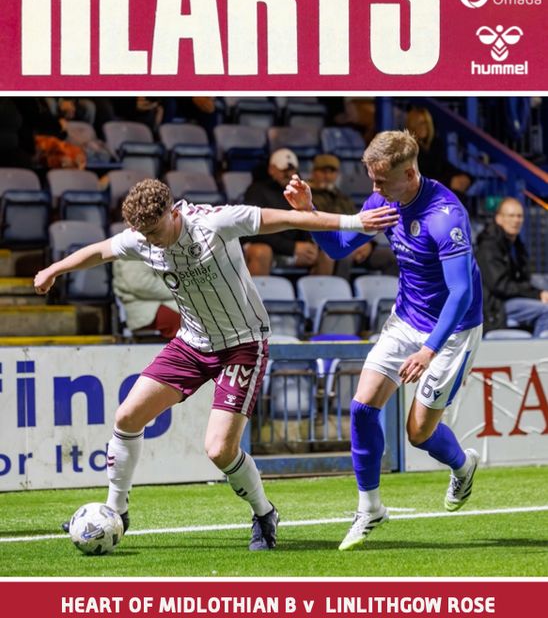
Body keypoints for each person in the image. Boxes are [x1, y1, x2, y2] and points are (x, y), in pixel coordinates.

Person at [34, 178, 395, 551]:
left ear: (173, 213)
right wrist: (54, 270)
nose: (151, 241)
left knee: (219, 451)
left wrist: (355, 223)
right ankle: (115, 511)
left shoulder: (215, 223)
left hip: (242, 344)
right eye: (144, 234)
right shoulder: (142, 237)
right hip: (192, 343)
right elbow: (99, 251)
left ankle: (264, 513)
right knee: (127, 417)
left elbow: (283, 219)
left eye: (156, 231)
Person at [284, 130, 484, 551]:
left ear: (409, 172)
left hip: (451, 331)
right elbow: (338, 250)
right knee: (362, 407)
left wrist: (429, 350)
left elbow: (462, 292)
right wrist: (309, 212)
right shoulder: (384, 203)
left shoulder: (445, 216)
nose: (373, 191)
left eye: (380, 182)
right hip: (405, 320)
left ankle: (463, 466)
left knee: (418, 434)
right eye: (371, 181)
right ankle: (370, 506)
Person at [242, 148, 332, 275]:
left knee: (327, 254)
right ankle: (254, 295)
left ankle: (319, 293)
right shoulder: (256, 191)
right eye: (283, 170)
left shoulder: (299, 191)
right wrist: (291, 248)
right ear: (271, 169)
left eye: (291, 170)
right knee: (262, 252)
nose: (288, 174)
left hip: (292, 249)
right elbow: (255, 229)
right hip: (266, 246)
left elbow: (308, 221)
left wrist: (308, 246)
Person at [309, 153, 398, 278]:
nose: (327, 176)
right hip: (327, 244)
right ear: (313, 172)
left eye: (332, 172)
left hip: (354, 243)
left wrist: (368, 244)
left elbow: (360, 221)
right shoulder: (309, 197)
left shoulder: (343, 198)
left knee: (390, 257)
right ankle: (340, 295)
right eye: (323, 171)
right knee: (345, 255)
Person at [475, 197, 548, 335]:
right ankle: (541, 353)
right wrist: (537, 295)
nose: (516, 220)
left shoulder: (516, 246)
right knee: (546, 311)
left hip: (511, 300)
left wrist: (538, 294)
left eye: (519, 216)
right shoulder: (489, 247)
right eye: (511, 215)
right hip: (495, 306)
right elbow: (501, 286)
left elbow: (523, 280)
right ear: (499, 219)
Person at [406, 107, 473, 200]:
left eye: (426, 123)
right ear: (412, 125)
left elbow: (445, 166)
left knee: (460, 196)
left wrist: (465, 176)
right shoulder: (410, 150)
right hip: (421, 194)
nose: (423, 126)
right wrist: (450, 182)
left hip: (437, 189)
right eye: (419, 123)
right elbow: (419, 178)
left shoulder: (435, 145)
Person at [112, 259, 181, 339]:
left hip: (160, 300)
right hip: (145, 306)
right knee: (186, 323)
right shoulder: (134, 249)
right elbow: (141, 284)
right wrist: (179, 291)